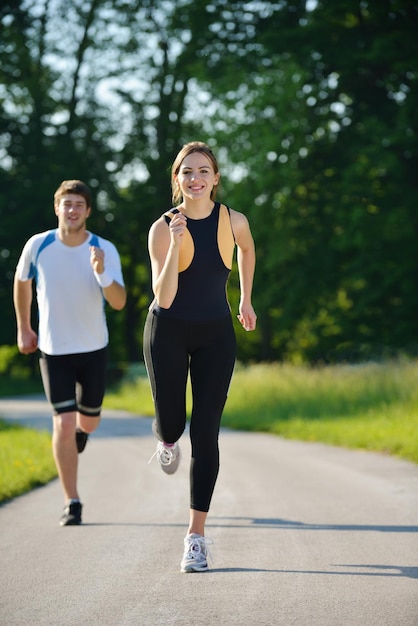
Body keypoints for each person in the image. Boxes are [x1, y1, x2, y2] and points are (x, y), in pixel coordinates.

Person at [143, 141, 257, 572]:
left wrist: (245, 298)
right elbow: (165, 298)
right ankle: (166, 437)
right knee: (174, 424)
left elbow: (246, 250)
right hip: (166, 331)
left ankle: (195, 536)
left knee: (205, 432)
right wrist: (176, 243)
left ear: (215, 177)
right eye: (187, 172)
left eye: (203, 171)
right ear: (177, 179)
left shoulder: (234, 221)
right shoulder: (162, 228)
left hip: (216, 333)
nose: (195, 179)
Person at [13, 179, 126, 527]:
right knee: (62, 423)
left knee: (87, 421)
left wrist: (101, 272)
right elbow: (21, 282)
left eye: (79, 204)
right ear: (57, 207)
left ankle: (82, 432)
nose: (72, 210)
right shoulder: (39, 245)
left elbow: (119, 302)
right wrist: (24, 327)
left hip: (93, 348)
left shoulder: (102, 248)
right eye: (67, 203)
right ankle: (71, 501)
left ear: (88, 211)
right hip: (54, 349)